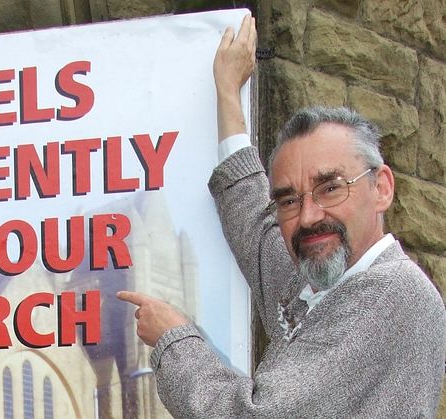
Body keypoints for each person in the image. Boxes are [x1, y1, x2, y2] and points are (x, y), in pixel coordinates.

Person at [117, 14, 446, 417]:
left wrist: (174, 338)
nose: (308, 216)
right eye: (289, 199)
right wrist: (227, 95)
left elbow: (256, 414)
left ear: (382, 188)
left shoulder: (387, 294)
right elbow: (255, 224)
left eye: (330, 188)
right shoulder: (322, 281)